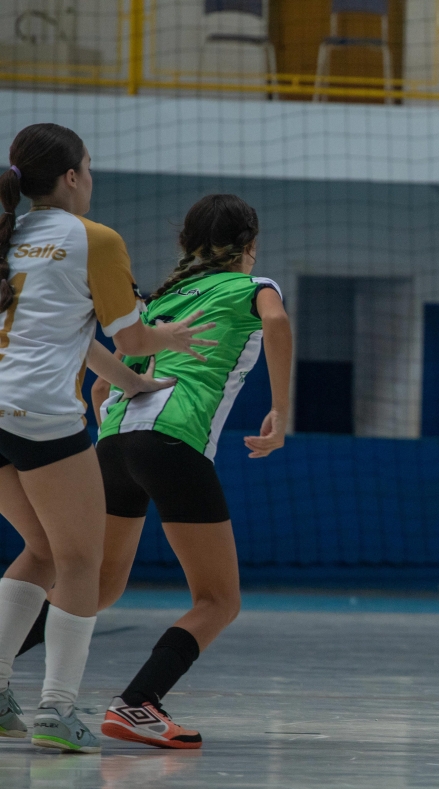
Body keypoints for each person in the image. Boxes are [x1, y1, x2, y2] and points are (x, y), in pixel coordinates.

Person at [0, 123, 216, 753]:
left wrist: (133, 384)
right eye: (89, 168)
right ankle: (57, 711)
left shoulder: (9, 233)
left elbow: (78, 339)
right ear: (72, 176)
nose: (91, 179)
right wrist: (170, 339)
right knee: (80, 561)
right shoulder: (95, 238)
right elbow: (132, 336)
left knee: (43, 549)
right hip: (40, 414)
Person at [87, 193, 292, 749]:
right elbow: (276, 322)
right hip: (173, 440)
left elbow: (102, 386)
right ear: (250, 245)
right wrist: (281, 410)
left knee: (97, 586)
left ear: (188, 244)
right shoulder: (254, 287)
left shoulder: (159, 300)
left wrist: (114, 428)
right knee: (219, 600)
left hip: (115, 440)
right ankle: (137, 703)